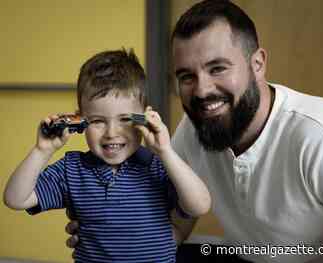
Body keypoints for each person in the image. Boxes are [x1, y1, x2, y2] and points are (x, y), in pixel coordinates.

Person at [66, 0, 323, 262]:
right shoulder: (195, 128)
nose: (202, 91)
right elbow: (174, 225)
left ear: (258, 64)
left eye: (217, 68)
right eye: (187, 76)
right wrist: (110, 234)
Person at [3, 48, 211, 263]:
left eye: (124, 119)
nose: (112, 133)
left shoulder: (158, 166)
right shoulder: (72, 170)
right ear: (80, 119)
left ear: (145, 117)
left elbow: (200, 205)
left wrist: (165, 151)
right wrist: (42, 150)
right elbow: (15, 199)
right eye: (97, 121)